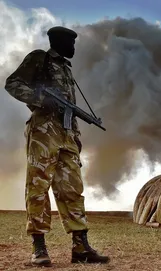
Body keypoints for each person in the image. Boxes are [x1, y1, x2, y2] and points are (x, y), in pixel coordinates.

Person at [4, 26, 110, 267]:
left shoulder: (66, 69)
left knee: (73, 189)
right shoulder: (39, 58)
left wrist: (76, 137)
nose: (74, 48)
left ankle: (80, 248)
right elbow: (13, 84)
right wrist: (42, 99)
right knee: (38, 187)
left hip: (67, 135)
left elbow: (69, 109)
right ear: (59, 42)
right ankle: (39, 248)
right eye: (71, 43)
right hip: (43, 131)